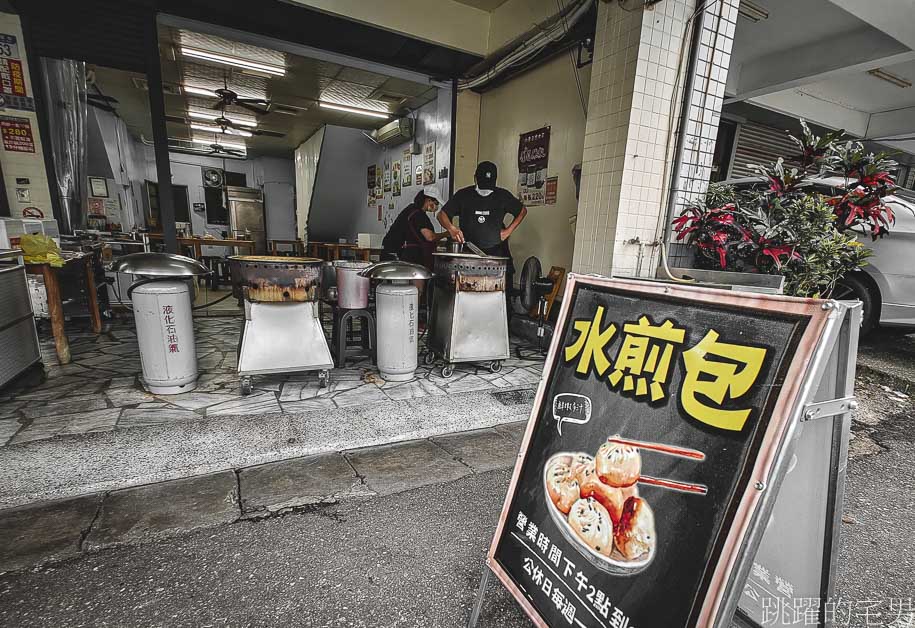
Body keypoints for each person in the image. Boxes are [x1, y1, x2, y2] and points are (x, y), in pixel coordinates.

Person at [438, 160, 527, 302]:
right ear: (475, 179)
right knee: (469, 297)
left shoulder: (502, 196)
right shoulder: (464, 195)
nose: (486, 190)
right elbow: (442, 215)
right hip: (469, 254)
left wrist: (507, 232)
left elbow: (522, 211)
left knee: (498, 296)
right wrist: (451, 228)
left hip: (495, 253)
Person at [381, 186, 449, 270]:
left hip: (396, 252)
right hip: (398, 254)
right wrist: (446, 234)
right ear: (428, 200)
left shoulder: (412, 210)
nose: (436, 207)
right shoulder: (417, 214)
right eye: (436, 203)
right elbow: (430, 237)